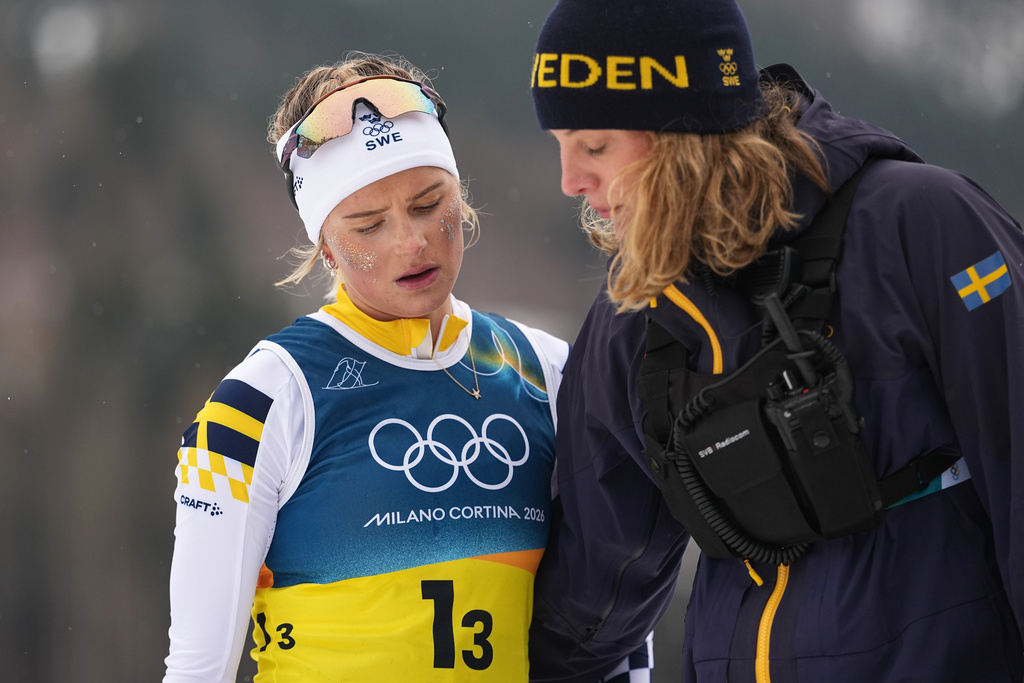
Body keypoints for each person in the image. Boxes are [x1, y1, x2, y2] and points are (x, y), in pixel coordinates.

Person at [525, 1, 1024, 682]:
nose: (570, 182)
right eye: (561, 146)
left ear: (681, 131)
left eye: (594, 145)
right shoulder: (634, 308)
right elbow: (586, 602)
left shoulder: (921, 224)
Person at [162, 52, 652, 682]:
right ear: (326, 247)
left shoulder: (549, 369)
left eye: (428, 204)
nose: (411, 242)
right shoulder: (264, 400)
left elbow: (618, 608)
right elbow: (198, 665)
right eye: (368, 225)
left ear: (461, 199)